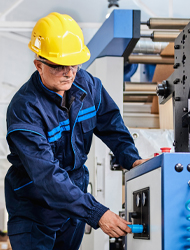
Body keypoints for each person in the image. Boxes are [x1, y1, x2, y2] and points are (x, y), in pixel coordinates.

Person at [5, 12, 147, 250]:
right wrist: (96, 212)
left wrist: (132, 159)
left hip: (72, 211)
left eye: (74, 63)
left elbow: (112, 124)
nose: (69, 72)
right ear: (39, 65)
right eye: (59, 66)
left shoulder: (87, 85)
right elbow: (47, 175)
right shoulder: (25, 109)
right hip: (34, 210)